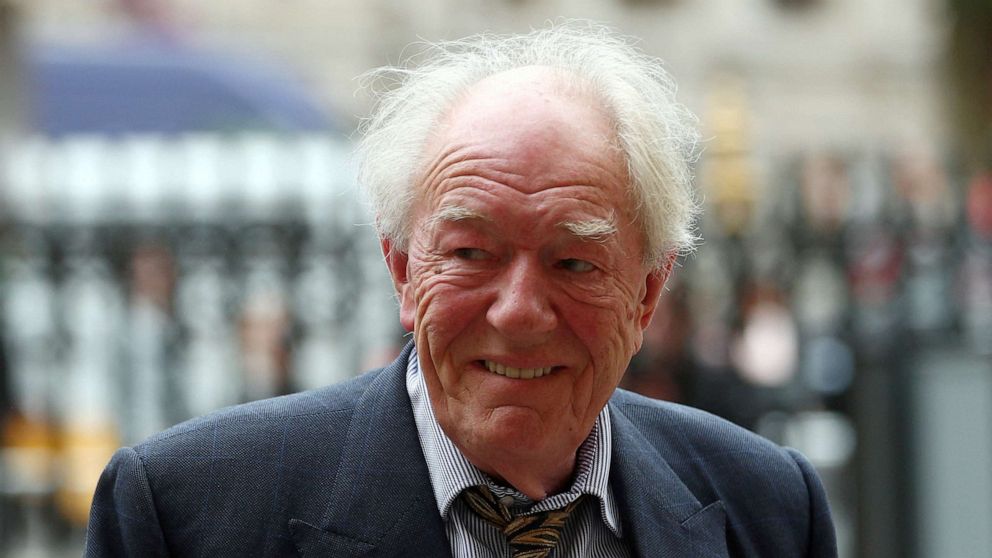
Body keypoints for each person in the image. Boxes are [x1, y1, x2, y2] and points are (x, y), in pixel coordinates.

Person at [86, 22, 836, 557]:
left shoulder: (766, 509)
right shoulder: (187, 514)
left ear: (647, 294)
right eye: (473, 253)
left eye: (573, 263)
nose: (517, 312)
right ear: (403, 272)